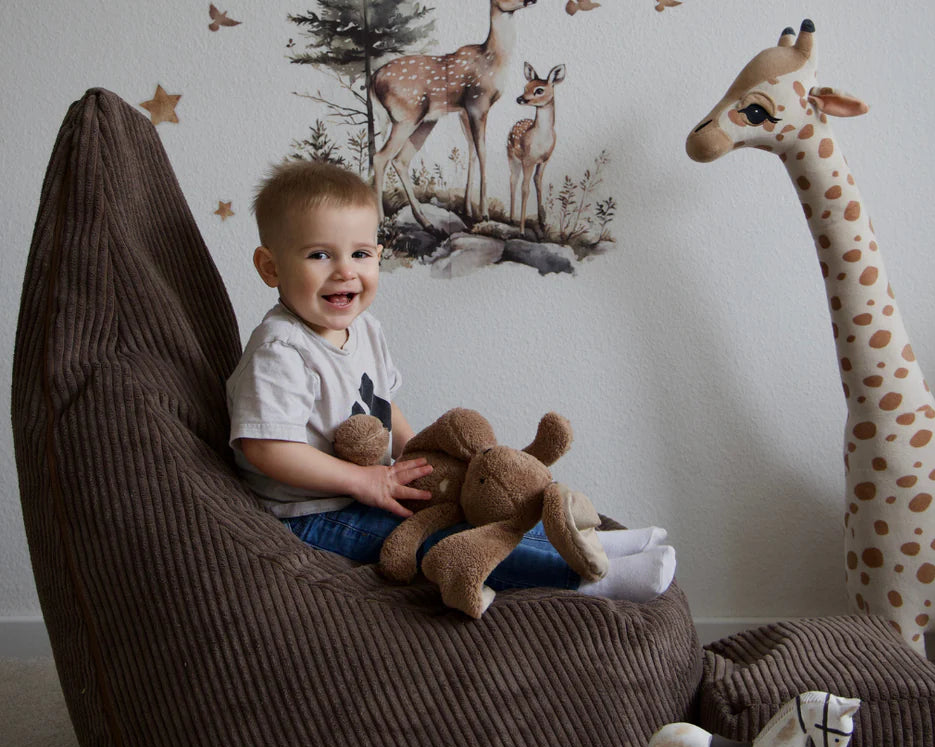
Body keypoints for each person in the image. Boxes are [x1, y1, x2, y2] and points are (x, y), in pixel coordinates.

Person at [227, 159, 676, 603]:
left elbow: (383, 406)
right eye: (320, 255)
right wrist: (361, 482)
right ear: (271, 268)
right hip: (312, 513)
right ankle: (587, 578)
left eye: (360, 254)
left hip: (367, 485)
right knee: (441, 539)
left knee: (474, 499)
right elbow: (266, 448)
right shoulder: (281, 350)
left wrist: (417, 453)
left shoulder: (365, 330)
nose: (346, 271)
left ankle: (587, 542)